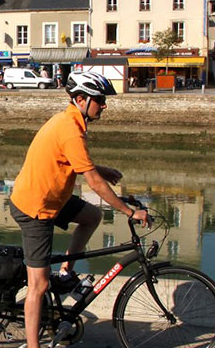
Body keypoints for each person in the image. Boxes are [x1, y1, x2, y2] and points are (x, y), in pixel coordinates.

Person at [9, 72, 150, 348]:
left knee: (92, 216)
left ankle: (65, 272)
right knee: (38, 285)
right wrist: (129, 212)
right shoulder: (70, 130)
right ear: (81, 99)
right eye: (99, 99)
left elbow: (76, 163)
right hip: (35, 207)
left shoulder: (70, 122)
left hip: (52, 199)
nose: (104, 105)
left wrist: (101, 169)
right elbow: (94, 183)